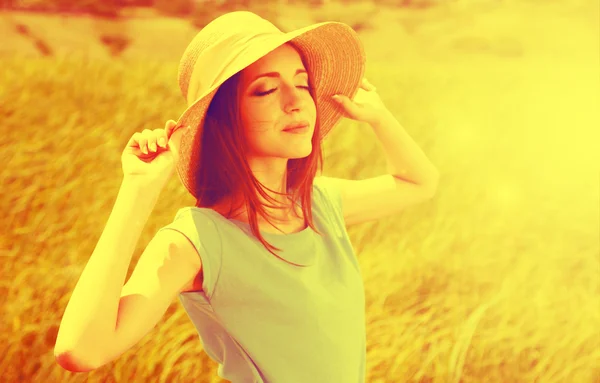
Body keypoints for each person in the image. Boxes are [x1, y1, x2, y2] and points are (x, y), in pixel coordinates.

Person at [55, 11, 371, 382]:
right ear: (223, 116)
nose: (296, 101)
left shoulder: (317, 205)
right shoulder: (197, 240)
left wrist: (379, 118)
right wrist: (138, 190)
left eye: (303, 85)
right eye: (266, 90)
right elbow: (81, 350)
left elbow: (420, 185)